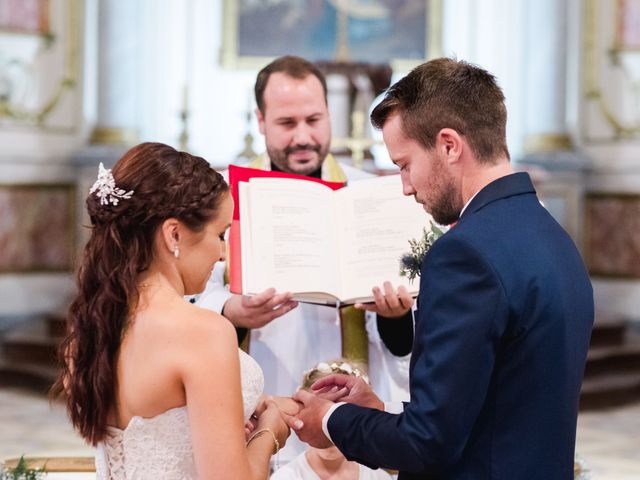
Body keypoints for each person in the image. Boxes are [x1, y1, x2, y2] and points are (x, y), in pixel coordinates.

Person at [289, 58, 595, 479]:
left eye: (404, 164)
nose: (406, 186)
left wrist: (329, 420)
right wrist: (379, 412)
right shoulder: (552, 236)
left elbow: (427, 445)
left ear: (449, 145)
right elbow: (491, 411)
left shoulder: (464, 255)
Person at [52, 142, 289, 479]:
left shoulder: (91, 330)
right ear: (174, 234)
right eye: (220, 234)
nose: (222, 254)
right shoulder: (203, 332)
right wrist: (270, 433)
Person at [197, 57, 414, 408]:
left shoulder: (365, 193)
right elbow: (187, 294)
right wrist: (229, 310)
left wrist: (397, 316)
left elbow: (403, 330)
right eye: (287, 123)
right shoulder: (224, 196)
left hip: (347, 407)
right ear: (261, 121)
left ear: (329, 114)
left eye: (314, 120)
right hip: (257, 398)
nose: (303, 137)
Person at [271, 359, 392, 480]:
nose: (328, 428)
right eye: (319, 414)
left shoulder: (379, 477)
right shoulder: (286, 477)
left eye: (338, 413)